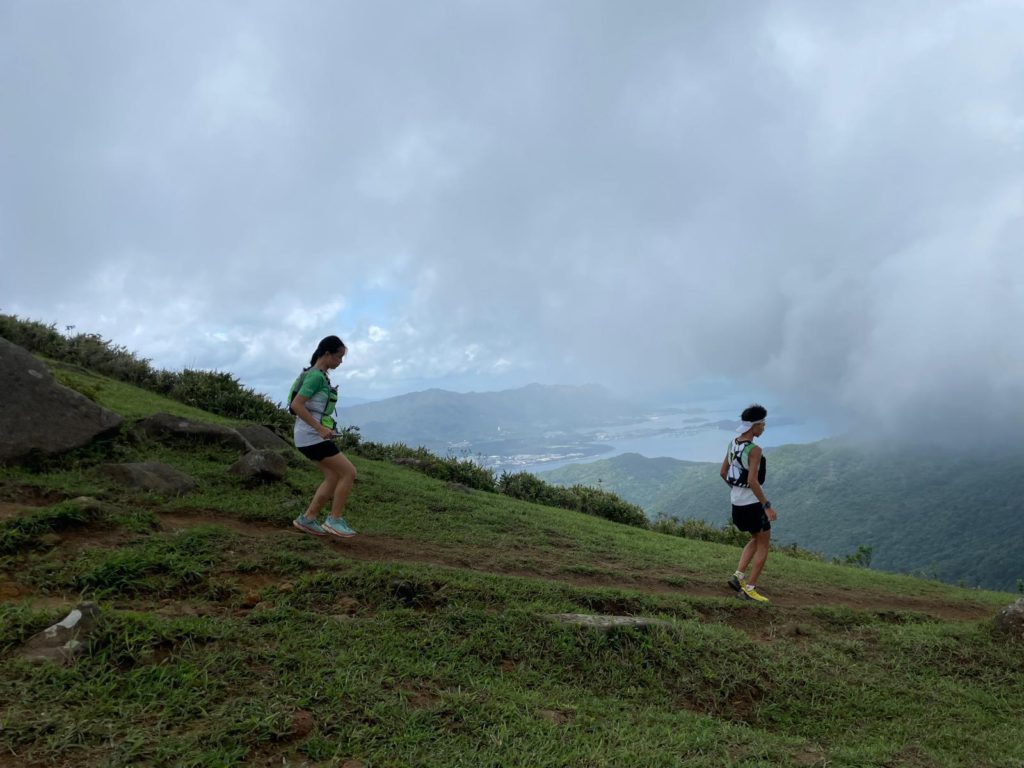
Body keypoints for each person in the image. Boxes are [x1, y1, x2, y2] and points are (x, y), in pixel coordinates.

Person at [289, 335, 358, 539]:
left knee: (333, 475)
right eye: (338, 357)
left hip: (307, 437)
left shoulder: (317, 375)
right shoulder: (316, 376)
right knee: (349, 473)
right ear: (327, 354)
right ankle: (334, 520)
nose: (340, 362)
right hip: (311, 437)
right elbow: (296, 405)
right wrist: (319, 429)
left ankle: (308, 518)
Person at [719, 404, 776, 603]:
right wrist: (766, 505)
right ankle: (749, 590)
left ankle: (738, 576)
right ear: (755, 426)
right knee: (764, 545)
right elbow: (753, 481)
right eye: (763, 424)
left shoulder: (733, 443)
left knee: (755, 538)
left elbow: (723, 473)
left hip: (736, 503)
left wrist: (737, 491)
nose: (764, 428)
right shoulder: (754, 450)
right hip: (752, 505)